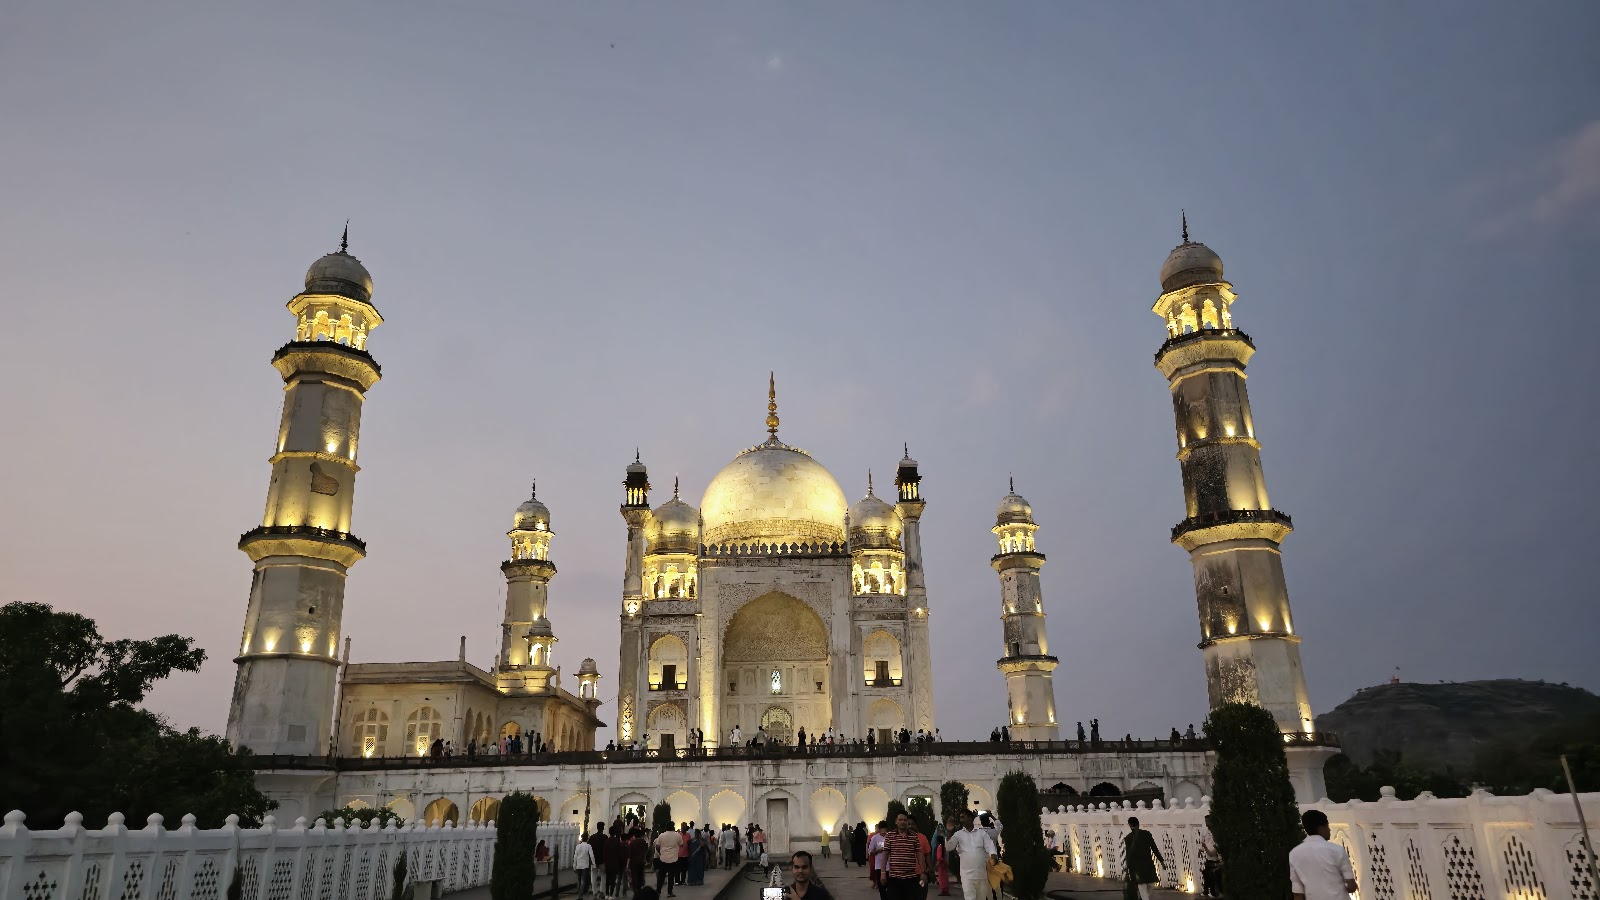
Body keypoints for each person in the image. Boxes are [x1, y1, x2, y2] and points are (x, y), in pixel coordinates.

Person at [1289, 810, 1357, 900]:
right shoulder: (1337, 850)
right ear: (1321, 828)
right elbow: (1351, 886)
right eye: (1327, 826)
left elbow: (1298, 894)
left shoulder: (1294, 854)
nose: (1329, 830)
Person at [948, 810, 997, 900]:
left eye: (963, 817)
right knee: (970, 898)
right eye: (960, 818)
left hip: (981, 874)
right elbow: (949, 847)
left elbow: (989, 845)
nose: (961, 820)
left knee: (981, 898)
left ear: (970, 818)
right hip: (967, 876)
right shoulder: (958, 834)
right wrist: (949, 832)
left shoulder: (981, 833)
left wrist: (993, 854)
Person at [878, 811, 927, 900]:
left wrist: (923, 872)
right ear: (896, 821)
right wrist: (883, 873)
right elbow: (885, 855)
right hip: (894, 877)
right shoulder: (890, 836)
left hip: (911, 877)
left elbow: (919, 854)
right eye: (900, 820)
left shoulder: (914, 836)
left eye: (905, 820)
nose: (902, 822)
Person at [1122, 818, 1161, 900]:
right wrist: (1161, 861)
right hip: (1148, 864)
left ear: (1129, 825)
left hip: (1136, 867)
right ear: (1138, 824)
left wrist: (1127, 869)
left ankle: (1143, 898)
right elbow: (1154, 848)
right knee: (1150, 884)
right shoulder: (1147, 834)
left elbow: (1128, 855)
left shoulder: (1128, 838)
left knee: (1142, 886)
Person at [654, 824, 683, 896]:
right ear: (673, 827)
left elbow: (657, 846)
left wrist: (661, 853)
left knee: (661, 876)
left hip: (663, 858)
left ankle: (658, 891)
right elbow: (681, 844)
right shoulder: (677, 835)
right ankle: (669, 892)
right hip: (673, 859)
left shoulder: (661, 835)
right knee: (671, 876)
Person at [574, 831, 596, 898]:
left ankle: (579, 893)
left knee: (579, 880)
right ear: (587, 838)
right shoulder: (588, 846)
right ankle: (580, 895)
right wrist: (594, 864)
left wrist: (574, 866)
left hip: (578, 865)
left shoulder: (578, 846)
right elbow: (591, 856)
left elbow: (575, 857)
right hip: (585, 866)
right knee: (583, 881)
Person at [628, 829, 650, 893]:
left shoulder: (632, 843)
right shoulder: (643, 842)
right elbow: (646, 850)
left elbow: (630, 853)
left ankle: (636, 890)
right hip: (641, 861)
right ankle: (640, 887)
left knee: (634, 876)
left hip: (634, 862)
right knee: (640, 874)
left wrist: (628, 863)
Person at [932, 821, 951, 896]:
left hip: (941, 863)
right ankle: (945, 889)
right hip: (944, 863)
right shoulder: (943, 846)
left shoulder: (940, 847)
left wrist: (937, 863)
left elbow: (939, 856)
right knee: (944, 876)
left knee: (942, 877)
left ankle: (943, 890)